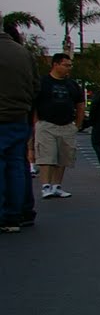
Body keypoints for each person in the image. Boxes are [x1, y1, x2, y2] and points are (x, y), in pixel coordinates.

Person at [1, 21, 37, 233]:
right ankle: (16, 215)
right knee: (16, 165)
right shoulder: (24, 54)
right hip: (19, 116)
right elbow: (35, 87)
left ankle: (6, 214)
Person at [34, 53, 85, 199]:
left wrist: (77, 124)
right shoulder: (43, 82)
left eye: (70, 65)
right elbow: (34, 104)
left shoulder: (72, 84)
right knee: (47, 157)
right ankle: (46, 186)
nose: (69, 68)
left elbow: (80, 104)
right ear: (55, 65)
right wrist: (36, 123)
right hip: (46, 125)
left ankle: (57, 186)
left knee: (63, 157)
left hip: (67, 125)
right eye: (66, 65)